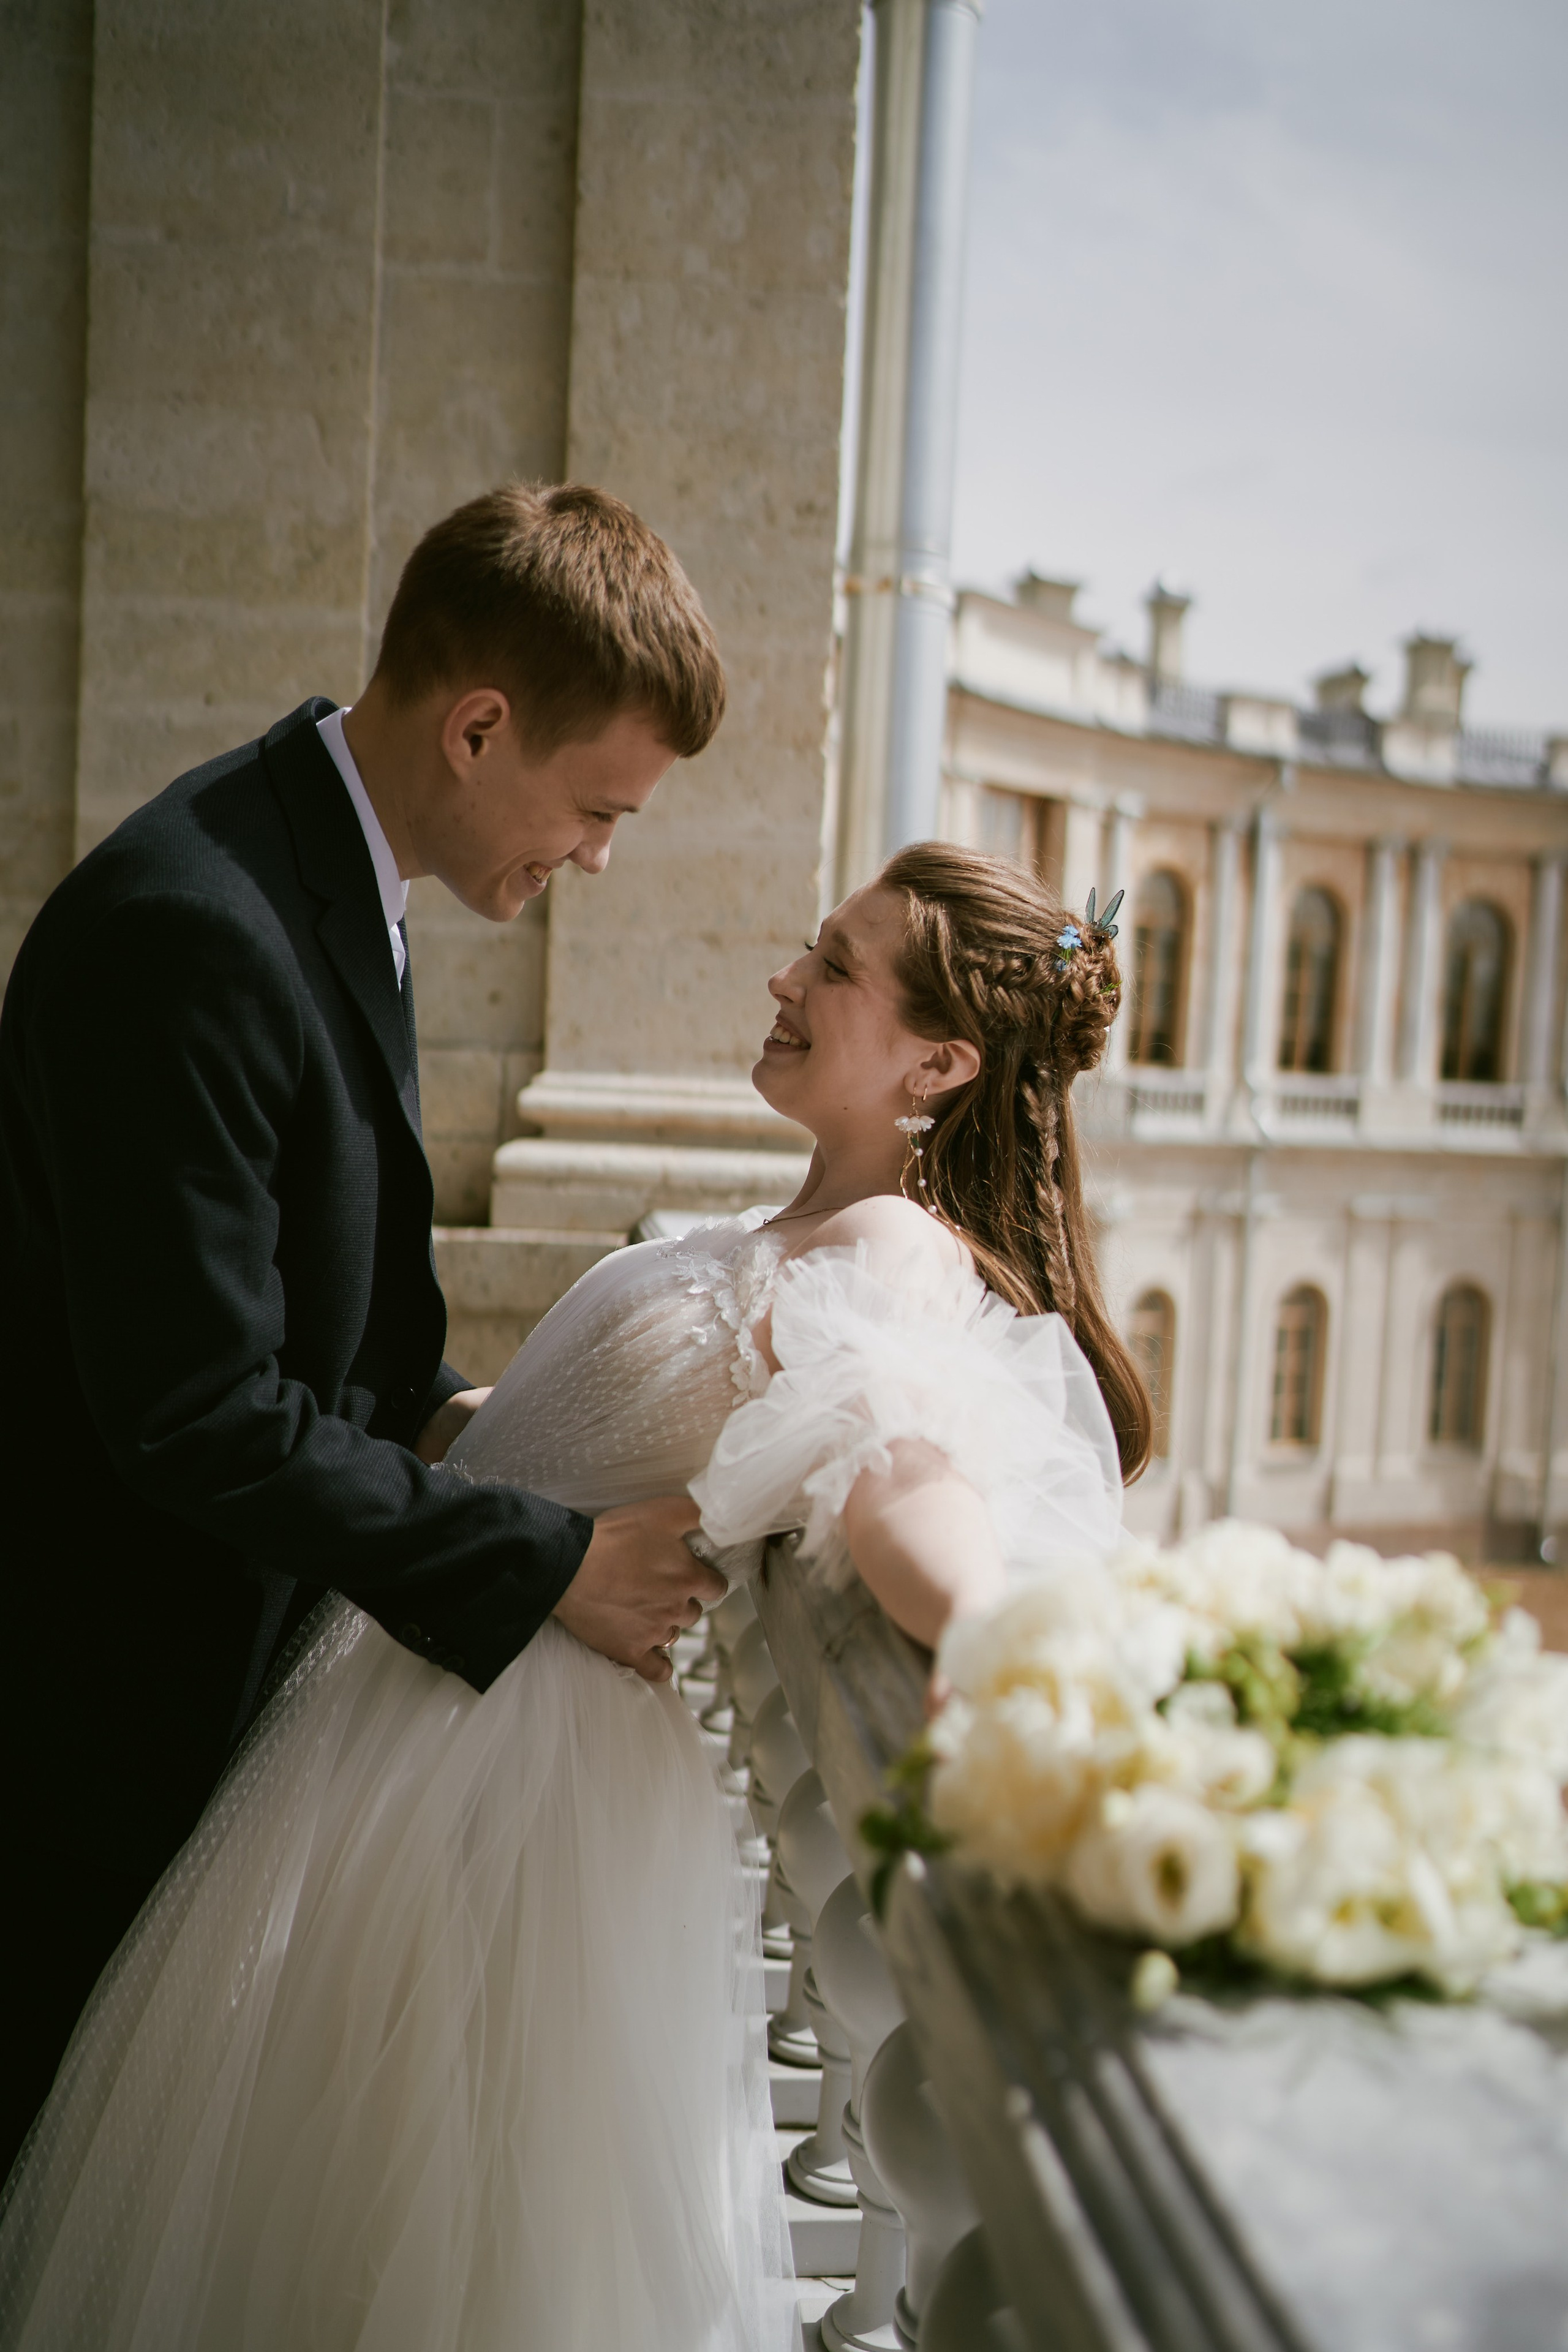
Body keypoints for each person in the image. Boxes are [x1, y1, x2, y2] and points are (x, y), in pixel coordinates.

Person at [0, 842, 1147, 2350]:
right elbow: (552, 1422)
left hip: (513, 1775)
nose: (784, 981)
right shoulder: (783, 1228)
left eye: (835, 969)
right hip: (421, 1708)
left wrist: (1000, 1641)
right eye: (809, 948)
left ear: (937, 1062)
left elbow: (901, 1479)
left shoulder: (889, 1253)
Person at [0, 483, 733, 2181]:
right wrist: (550, 1558)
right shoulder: (192, 927)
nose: (602, 859)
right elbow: (196, 1413)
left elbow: (330, 1333)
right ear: (480, 727)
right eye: (599, 807)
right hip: (87, 1709)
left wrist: (480, 1420)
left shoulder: (332, 872)